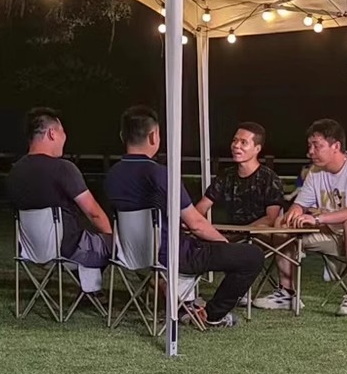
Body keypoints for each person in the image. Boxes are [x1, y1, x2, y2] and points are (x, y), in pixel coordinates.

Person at [105, 105, 263, 328]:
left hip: (130, 256)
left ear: (123, 136)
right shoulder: (160, 174)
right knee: (252, 256)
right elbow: (196, 224)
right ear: (154, 136)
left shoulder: (112, 175)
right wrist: (225, 244)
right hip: (173, 256)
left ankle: (184, 303)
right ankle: (212, 315)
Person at [253, 118, 347, 316]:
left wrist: (318, 219)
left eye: (316, 146)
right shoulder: (316, 172)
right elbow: (300, 204)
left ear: (335, 146)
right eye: (309, 146)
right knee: (283, 223)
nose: (310, 152)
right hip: (336, 237)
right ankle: (287, 294)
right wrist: (294, 212)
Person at [7, 108, 112, 280]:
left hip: (30, 252)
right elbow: (94, 213)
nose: (65, 137)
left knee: (90, 244)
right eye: (63, 131)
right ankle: (91, 289)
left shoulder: (15, 172)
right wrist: (111, 239)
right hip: (68, 251)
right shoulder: (63, 169)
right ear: (52, 133)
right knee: (115, 245)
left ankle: (90, 290)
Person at [195, 122, 285, 227]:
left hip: (257, 235)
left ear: (257, 149)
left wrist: (243, 232)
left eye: (243, 142)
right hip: (228, 234)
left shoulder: (270, 179)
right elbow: (201, 207)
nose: (236, 146)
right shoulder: (225, 176)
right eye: (234, 140)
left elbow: (271, 218)